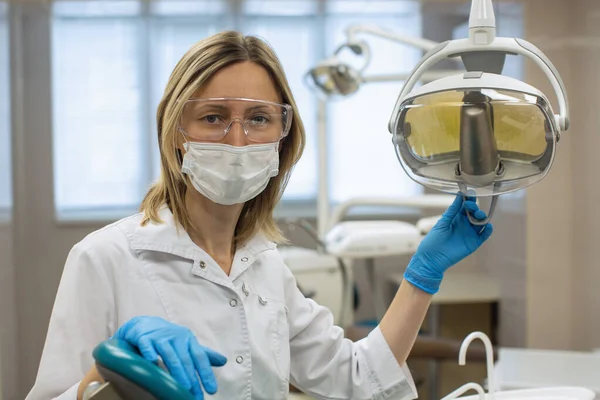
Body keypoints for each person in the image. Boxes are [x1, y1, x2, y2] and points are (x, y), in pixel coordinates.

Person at [26, 31, 493, 400]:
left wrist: (422, 274)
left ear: (282, 139)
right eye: (212, 117)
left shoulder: (265, 266)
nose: (237, 140)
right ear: (175, 133)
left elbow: (359, 379)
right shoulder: (103, 258)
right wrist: (108, 371)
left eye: (258, 119)